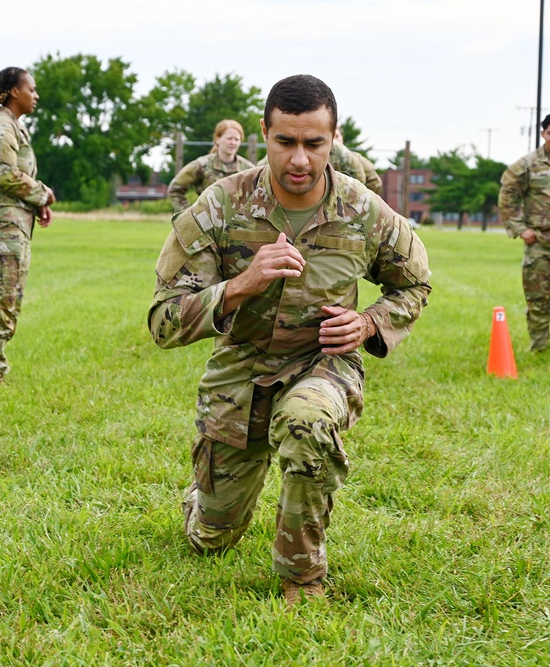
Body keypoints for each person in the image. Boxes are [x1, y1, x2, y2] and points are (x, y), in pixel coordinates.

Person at [148, 74, 431, 605]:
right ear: (264, 134)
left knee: (309, 424)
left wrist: (369, 323)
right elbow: (163, 320)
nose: (299, 159)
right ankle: (203, 505)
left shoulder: (363, 210)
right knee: (213, 538)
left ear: (334, 138)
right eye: (285, 142)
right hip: (241, 372)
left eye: (314, 144)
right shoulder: (221, 206)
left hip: (321, 363)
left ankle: (301, 578)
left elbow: (415, 282)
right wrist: (239, 286)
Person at [0, 66, 55, 385]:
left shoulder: (14, 127)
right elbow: (4, 175)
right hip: (0, 224)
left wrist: (38, 202)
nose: (36, 95)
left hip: (14, 222)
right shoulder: (0, 128)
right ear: (15, 91)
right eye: (31, 89)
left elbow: (19, 175)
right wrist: (42, 194)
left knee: (9, 296)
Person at [499, 112, 550, 354]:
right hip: (539, 242)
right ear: (543, 134)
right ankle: (540, 346)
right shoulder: (527, 164)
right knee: (538, 298)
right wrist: (520, 228)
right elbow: (508, 193)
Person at [167, 120, 255, 213]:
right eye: (229, 138)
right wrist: (188, 215)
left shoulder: (248, 169)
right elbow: (175, 189)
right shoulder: (202, 165)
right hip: (208, 223)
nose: (233, 142)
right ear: (218, 139)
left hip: (238, 224)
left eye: (236, 139)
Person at [335, 126, 382, 194]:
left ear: (342, 137)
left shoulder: (356, 157)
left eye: (337, 136)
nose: (335, 141)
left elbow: (375, 182)